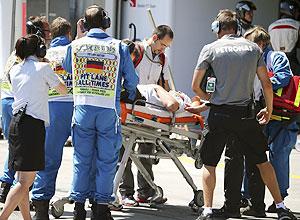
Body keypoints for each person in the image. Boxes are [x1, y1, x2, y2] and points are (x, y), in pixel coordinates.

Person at [185, 9, 297, 220]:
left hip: (219, 115)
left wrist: (210, 101)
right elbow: (266, 84)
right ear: (238, 28)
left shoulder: (210, 49)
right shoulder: (253, 48)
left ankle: (207, 210)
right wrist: (269, 109)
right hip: (246, 115)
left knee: (210, 163)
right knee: (262, 161)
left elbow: (195, 86)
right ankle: (281, 207)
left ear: (218, 28)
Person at [63, 5, 138, 219]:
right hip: (107, 110)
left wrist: (79, 38)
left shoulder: (75, 45)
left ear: (84, 25)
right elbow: (132, 80)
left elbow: (68, 68)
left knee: (81, 159)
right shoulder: (119, 46)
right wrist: (129, 91)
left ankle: (78, 206)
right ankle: (100, 206)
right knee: (106, 161)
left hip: (82, 109)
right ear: (107, 23)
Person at [0, 34, 67, 220]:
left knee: (23, 179)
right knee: (25, 182)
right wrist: (49, 68)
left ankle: (27, 218)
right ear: (40, 50)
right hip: (32, 125)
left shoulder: (14, 70)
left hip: (17, 123)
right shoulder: (43, 68)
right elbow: (63, 89)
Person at [241, 26, 298, 217]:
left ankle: (278, 198)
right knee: (253, 157)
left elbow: (283, 78)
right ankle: (249, 197)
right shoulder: (250, 60)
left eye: (249, 42)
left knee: (278, 157)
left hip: (281, 118)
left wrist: (262, 82)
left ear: (260, 43)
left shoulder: (276, 58)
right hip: (259, 113)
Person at [119, 25, 173, 206]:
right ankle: (126, 192)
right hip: (131, 107)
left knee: (146, 151)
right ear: (155, 37)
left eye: (166, 47)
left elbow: (163, 84)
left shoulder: (162, 59)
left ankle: (145, 191)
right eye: (163, 45)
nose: (163, 49)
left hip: (149, 110)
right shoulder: (137, 51)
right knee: (124, 152)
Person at [0, 15, 51, 205]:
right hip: (20, 107)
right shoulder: (34, 57)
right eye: (46, 31)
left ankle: (7, 187)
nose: (49, 35)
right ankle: (11, 189)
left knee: (16, 152)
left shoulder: (20, 49)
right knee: (22, 154)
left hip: (9, 102)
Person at [30, 17, 73, 220]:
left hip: (49, 109)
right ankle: (84, 204)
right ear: (68, 34)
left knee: (47, 158)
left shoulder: (43, 54)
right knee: (85, 159)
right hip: (76, 106)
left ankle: (40, 205)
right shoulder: (75, 50)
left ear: (52, 35)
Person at [269, 0, 300, 76]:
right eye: (296, 11)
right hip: (293, 64)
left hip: (275, 63)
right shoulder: (297, 25)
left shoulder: (271, 26)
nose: (298, 13)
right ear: (291, 10)